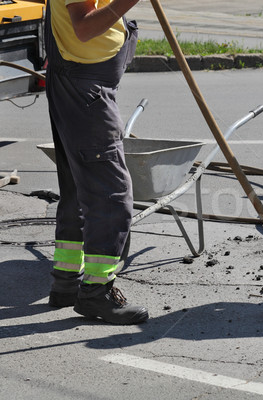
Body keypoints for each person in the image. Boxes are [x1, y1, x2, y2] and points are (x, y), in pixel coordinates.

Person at [45, 0, 148, 324]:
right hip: (86, 92)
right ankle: (96, 292)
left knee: (77, 189)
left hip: (80, 85)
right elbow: (85, 26)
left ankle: (66, 281)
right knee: (111, 195)